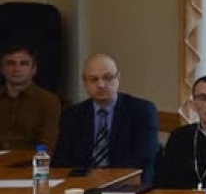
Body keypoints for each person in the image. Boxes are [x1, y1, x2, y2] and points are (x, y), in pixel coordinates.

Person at [53, 54, 159, 184]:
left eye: (108, 77)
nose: (101, 85)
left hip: (128, 183)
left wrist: (102, 178)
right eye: (94, 79)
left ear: (118, 78)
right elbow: (60, 161)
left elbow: (143, 158)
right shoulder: (72, 115)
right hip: (82, 184)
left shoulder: (142, 111)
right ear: (85, 82)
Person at [0, 43, 61, 151]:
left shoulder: (48, 101)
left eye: (23, 64)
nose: (17, 69)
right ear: (2, 69)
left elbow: (47, 145)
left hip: (31, 161)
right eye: (11, 63)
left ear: (34, 69)